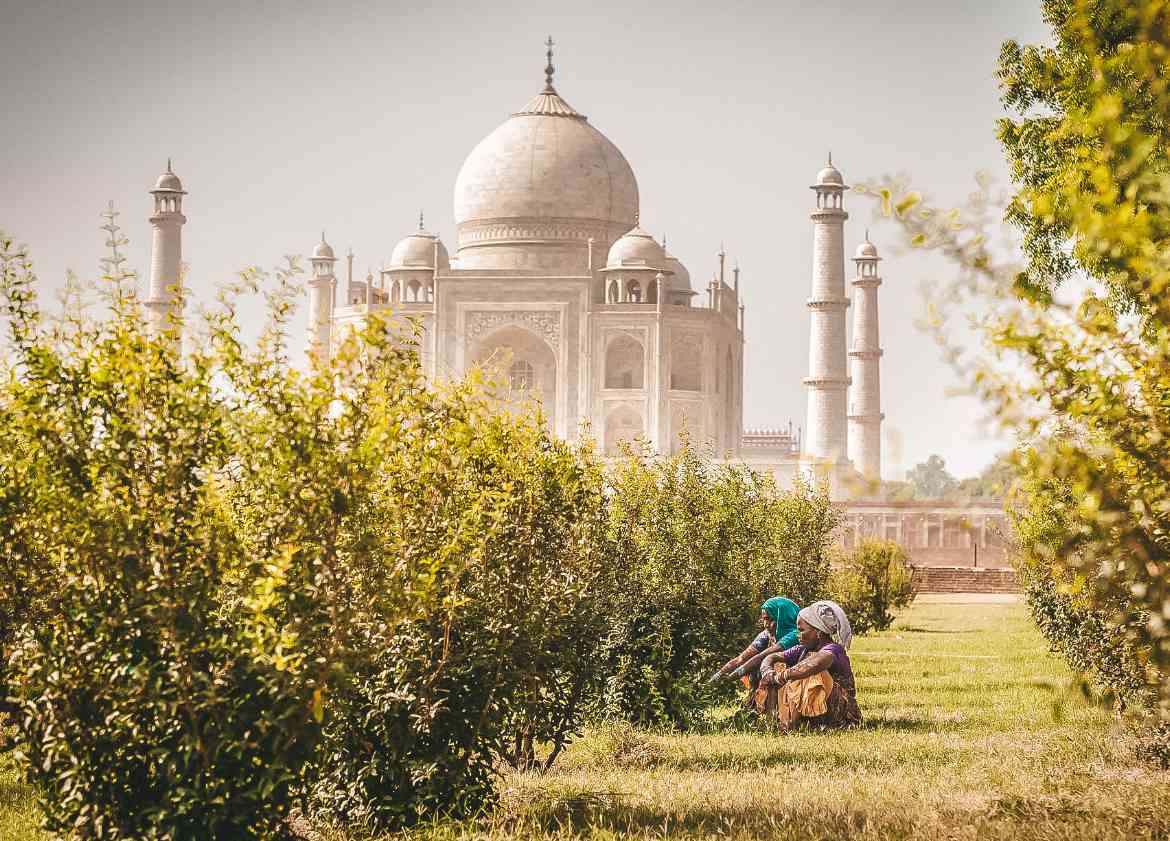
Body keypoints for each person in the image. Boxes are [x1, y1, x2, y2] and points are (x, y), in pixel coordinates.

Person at [753, 599, 862, 730]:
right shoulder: (803, 648)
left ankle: (789, 726)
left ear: (818, 632)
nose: (798, 635)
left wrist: (781, 677)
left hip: (839, 712)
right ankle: (773, 723)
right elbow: (771, 657)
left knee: (809, 672)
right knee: (778, 665)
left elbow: (814, 664)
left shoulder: (833, 650)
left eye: (801, 630)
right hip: (814, 712)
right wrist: (768, 672)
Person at [712, 597, 800, 691]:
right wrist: (717, 677)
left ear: (782, 618)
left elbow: (761, 657)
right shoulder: (767, 634)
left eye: (770, 619)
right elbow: (741, 659)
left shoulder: (796, 634)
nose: (766, 624)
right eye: (764, 620)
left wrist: (731, 677)